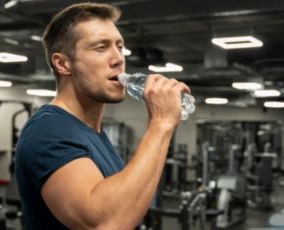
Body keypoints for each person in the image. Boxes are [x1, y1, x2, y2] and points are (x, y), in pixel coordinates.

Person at [14, 2, 190, 229]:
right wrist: (161, 123)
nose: (119, 59)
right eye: (101, 47)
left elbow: (127, 206)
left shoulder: (94, 134)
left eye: (120, 47)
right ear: (63, 64)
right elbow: (104, 222)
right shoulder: (48, 130)